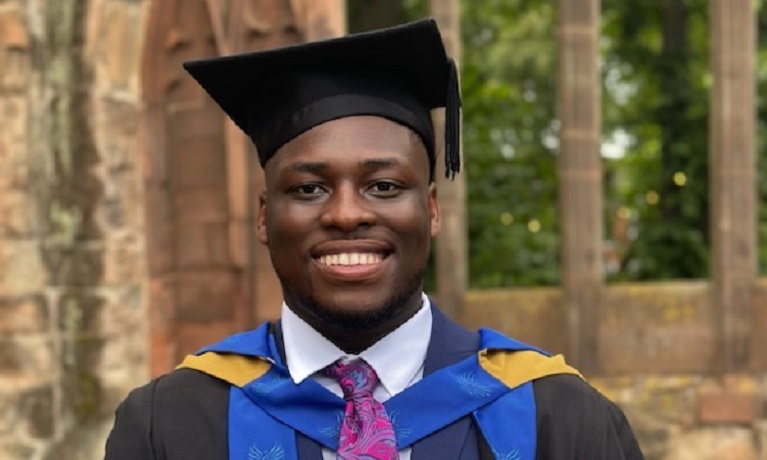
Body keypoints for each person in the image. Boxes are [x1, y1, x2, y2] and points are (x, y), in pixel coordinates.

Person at [104, 18, 644, 460]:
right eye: (309, 187)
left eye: (383, 186)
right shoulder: (169, 426)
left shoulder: (558, 417)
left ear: (430, 209)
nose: (346, 213)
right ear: (265, 217)